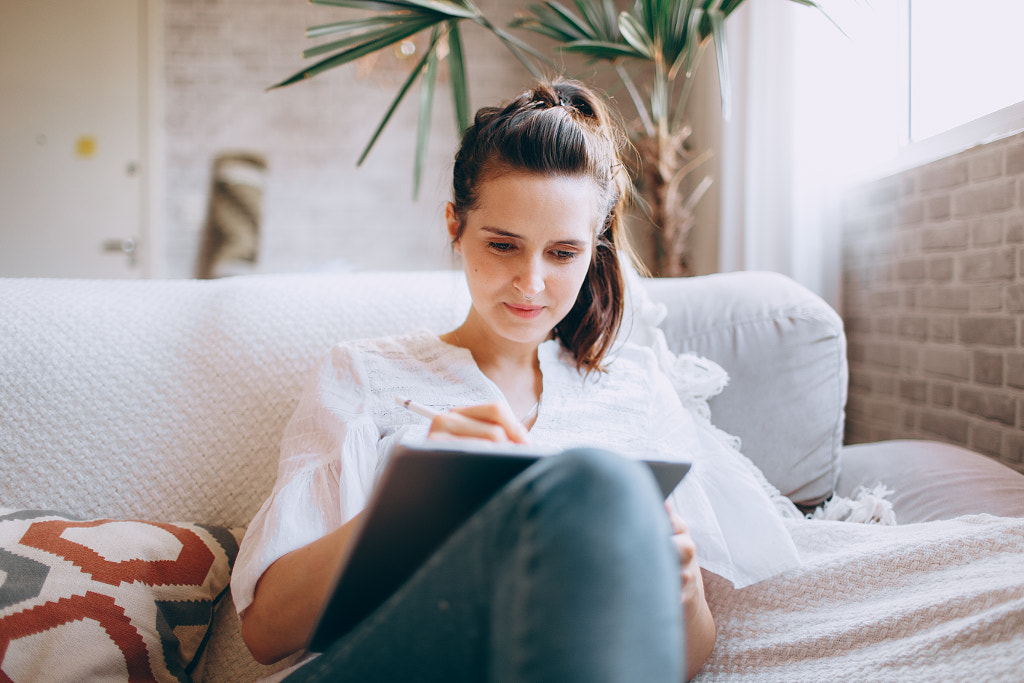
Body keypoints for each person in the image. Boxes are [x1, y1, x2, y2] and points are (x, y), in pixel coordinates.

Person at [231, 79, 799, 682]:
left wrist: (683, 594)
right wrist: (416, 504)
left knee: (599, 482)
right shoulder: (366, 375)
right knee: (595, 479)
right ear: (455, 225)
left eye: (562, 254)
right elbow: (265, 634)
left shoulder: (635, 390)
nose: (531, 283)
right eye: (503, 246)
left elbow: (677, 664)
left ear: (595, 246)